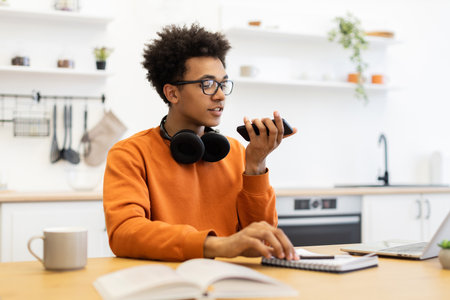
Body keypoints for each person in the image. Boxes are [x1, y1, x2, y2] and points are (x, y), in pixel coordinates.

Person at [103, 24, 299, 262]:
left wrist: (256, 165)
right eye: (207, 84)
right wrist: (216, 245)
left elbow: (264, 242)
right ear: (172, 94)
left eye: (222, 84)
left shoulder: (237, 152)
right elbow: (124, 233)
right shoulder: (130, 153)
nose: (220, 95)